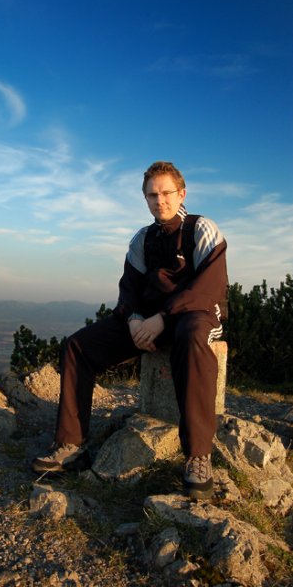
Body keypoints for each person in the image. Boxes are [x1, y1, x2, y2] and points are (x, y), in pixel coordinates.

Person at [32, 161, 228, 499]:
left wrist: (163, 318)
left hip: (196, 316)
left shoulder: (201, 229)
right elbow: (129, 289)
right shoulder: (143, 239)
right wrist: (135, 318)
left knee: (193, 335)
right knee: (78, 346)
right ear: (145, 198)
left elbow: (208, 288)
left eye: (166, 193)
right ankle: (71, 445)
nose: (159, 200)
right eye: (152, 195)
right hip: (148, 321)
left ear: (182, 193)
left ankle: (198, 456)